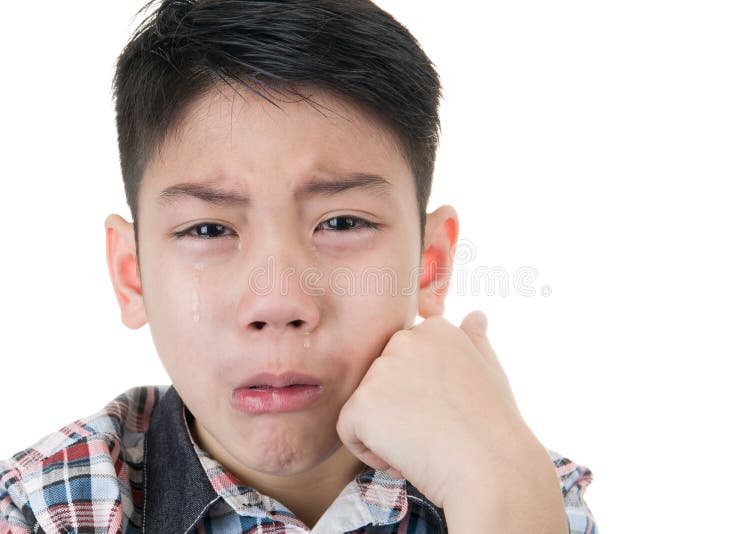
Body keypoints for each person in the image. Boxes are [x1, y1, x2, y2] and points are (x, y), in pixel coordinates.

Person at [0, 1, 596, 532]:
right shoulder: (43, 507)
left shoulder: (519, 489)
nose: (277, 302)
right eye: (208, 229)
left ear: (428, 263)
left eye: (341, 223)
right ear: (132, 275)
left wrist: (501, 494)